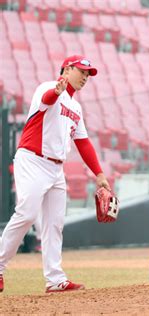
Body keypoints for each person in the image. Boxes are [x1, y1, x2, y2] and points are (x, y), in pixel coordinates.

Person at [0, 55, 110, 293]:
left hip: (55, 168)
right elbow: (48, 99)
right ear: (67, 69)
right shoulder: (49, 87)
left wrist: (99, 173)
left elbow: (83, 143)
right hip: (33, 160)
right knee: (27, 214)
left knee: (54, 224)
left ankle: (55, 279)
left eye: (88, 74)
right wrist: (57, 91)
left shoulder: (76, 107)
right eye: (82, 71)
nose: (85, 77)